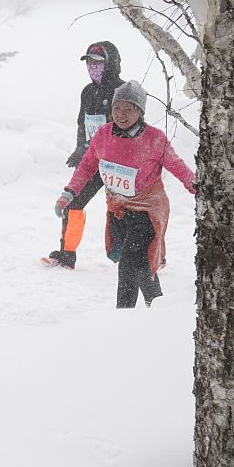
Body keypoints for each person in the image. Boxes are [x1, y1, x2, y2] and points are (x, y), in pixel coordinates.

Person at [55, 81, 194, 308]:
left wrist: (196, 186)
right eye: (117, 108)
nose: (121, 114)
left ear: (140, 112)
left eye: (128, 109)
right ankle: (158, 306)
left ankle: (123, 317)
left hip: (148, 209)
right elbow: (87, 166)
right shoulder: (104, 134)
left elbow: (177, 166)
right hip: (119, 209)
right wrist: (69, 193)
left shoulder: (154, 138)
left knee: (129, 261)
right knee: (141, 263)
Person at [44, 40, 125, 269]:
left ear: (110, 64)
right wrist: (82, 148)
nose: (92, 67)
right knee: (73, 202)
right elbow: (83, 123)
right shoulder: (88, 92)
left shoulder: (123, 91)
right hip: (94, 161)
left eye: (98, 63)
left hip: (120, 164)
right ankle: (67, 255)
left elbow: (120, 129)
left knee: (126, 212)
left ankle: (150, 257)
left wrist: (89, 146)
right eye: (89, 63)